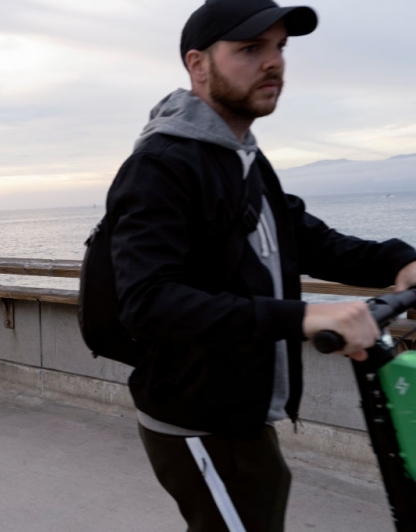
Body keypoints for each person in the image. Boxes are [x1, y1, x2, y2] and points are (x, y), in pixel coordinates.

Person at [106, 1, 416, 531]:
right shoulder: (160, 166)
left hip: (241, 413)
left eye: (280, 48)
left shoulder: (242, 157)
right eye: (251, 49)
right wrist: (302, 317)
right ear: (198, 65)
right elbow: (148, 302)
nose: (273, 62)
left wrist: (400, 260)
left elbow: (308, 237)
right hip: (194, 420)